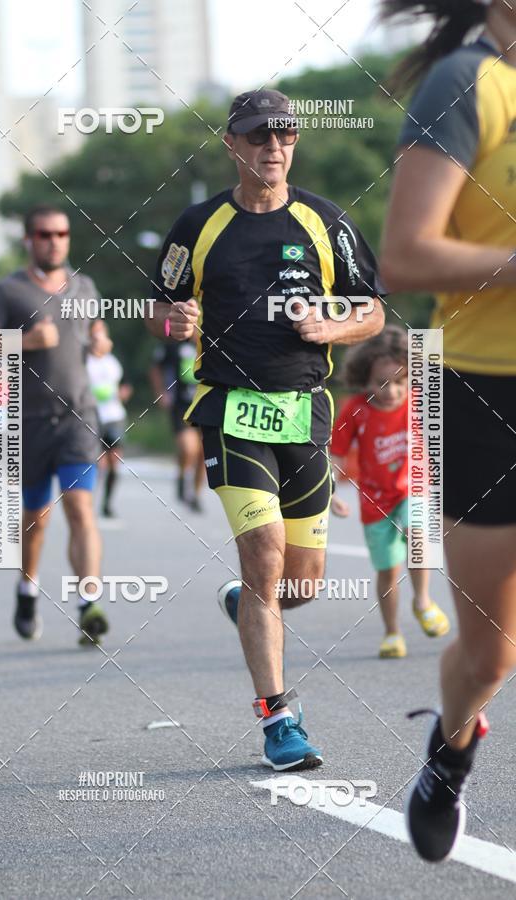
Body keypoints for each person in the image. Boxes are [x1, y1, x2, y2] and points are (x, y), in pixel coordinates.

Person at [146, 88, 386, 771]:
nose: (273, 147)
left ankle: (248, 604)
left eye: (284, 135)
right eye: (258, 136)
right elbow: (159, 310)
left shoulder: (324, 220)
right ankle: (278, 717)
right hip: (230, 410)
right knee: (264, 553)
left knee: (299, 584)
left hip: (305, 409)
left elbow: (371, 311)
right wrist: (173, 322)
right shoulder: (199, 225)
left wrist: (334, 326)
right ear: (233, 145)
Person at [379, 0, 516, 863]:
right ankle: (451, 748)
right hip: (486, 392)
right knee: (489, 653)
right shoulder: (469, 83)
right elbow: (405, 255)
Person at [0, 205, 112, 646]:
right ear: (29, 239)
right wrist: (25, 341)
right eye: (45, 234)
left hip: (77, 418)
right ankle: (27, 589)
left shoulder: (84, 286)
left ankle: (89, 605)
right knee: (36, 518)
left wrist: (102, 340)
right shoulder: (8, 291)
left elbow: (96, 330)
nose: (54, 241)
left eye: (62, 234)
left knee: (81, 510)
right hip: (26, 423)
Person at [330, 325, 450, 658]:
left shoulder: (418, 403)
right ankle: (392, 632)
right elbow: (337, 453)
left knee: (417, 534)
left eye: (400, 382)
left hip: (414, 487)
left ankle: (423, 601)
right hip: (374, 501)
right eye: (382, 382)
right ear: (364, 378)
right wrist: (331, 491)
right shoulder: (355, 409)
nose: (393, 391)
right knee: (387, 570)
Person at [149, 339, 205, 511]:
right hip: (180, 404)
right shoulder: (173, 344)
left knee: (204, 452)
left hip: (205, 402)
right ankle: (181, 476)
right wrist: (161, 393)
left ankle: (196, 494)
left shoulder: (211, 341)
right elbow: (155, 368)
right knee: (189, 448)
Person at [86, 349, 132, 519]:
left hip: (115, 417)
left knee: (114, 462)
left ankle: (107, 503)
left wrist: (124, 392)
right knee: (100, 463)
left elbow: (126, 384)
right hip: (92, 417)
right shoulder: (85, 360)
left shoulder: (114, 361)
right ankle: (88, 502)